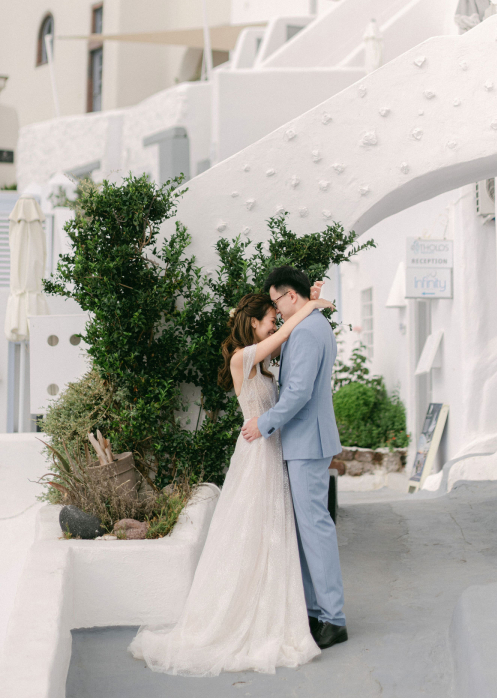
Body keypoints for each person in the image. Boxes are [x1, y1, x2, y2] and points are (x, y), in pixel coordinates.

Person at [129, 284, 333, 677]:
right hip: (257, 455)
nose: (275, 321)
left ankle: (275, 608)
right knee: (254, 530)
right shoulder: (243, 357)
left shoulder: (262, 363)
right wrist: (310, 307)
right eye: (269, 318)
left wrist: (309, 298)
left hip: (272, 451)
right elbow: (284, 335)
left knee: (273, 532)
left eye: (276, 316)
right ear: (254, 323)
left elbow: (290, 347)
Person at [241, 266, 347, 650]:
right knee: (308, 531)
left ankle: (332, 618)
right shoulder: (311, 325)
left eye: (276, 301)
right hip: (306, 441)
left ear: (290, 296)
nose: (276, 310)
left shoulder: (305, 332)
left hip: (306, 443)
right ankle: (317, 611)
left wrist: (264, 423)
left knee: (315, 530)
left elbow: (299, 391)